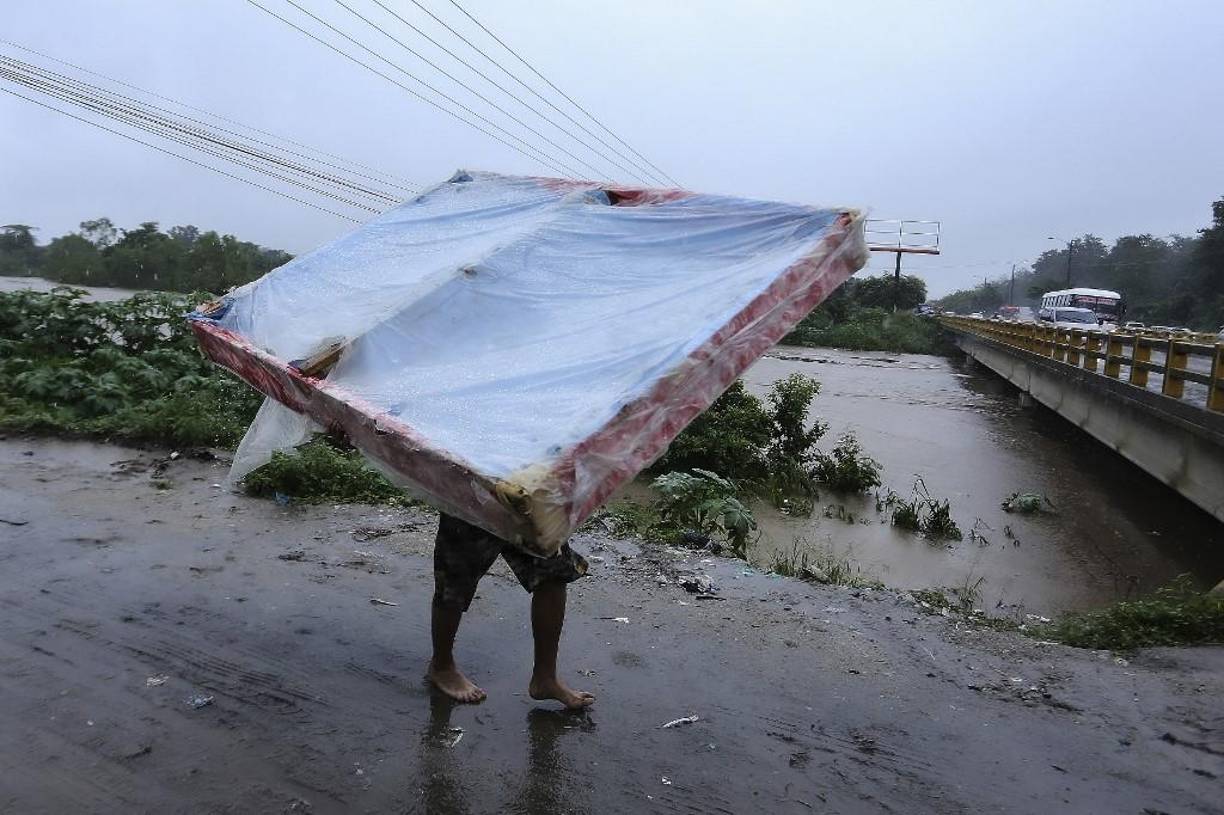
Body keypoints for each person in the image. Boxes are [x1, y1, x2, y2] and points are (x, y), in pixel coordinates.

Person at [428, 513, 595, 709]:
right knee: (455, 580)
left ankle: (545, 678)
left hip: (526, 495)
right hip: (473, 495)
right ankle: (442, 666)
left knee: (553, 571)